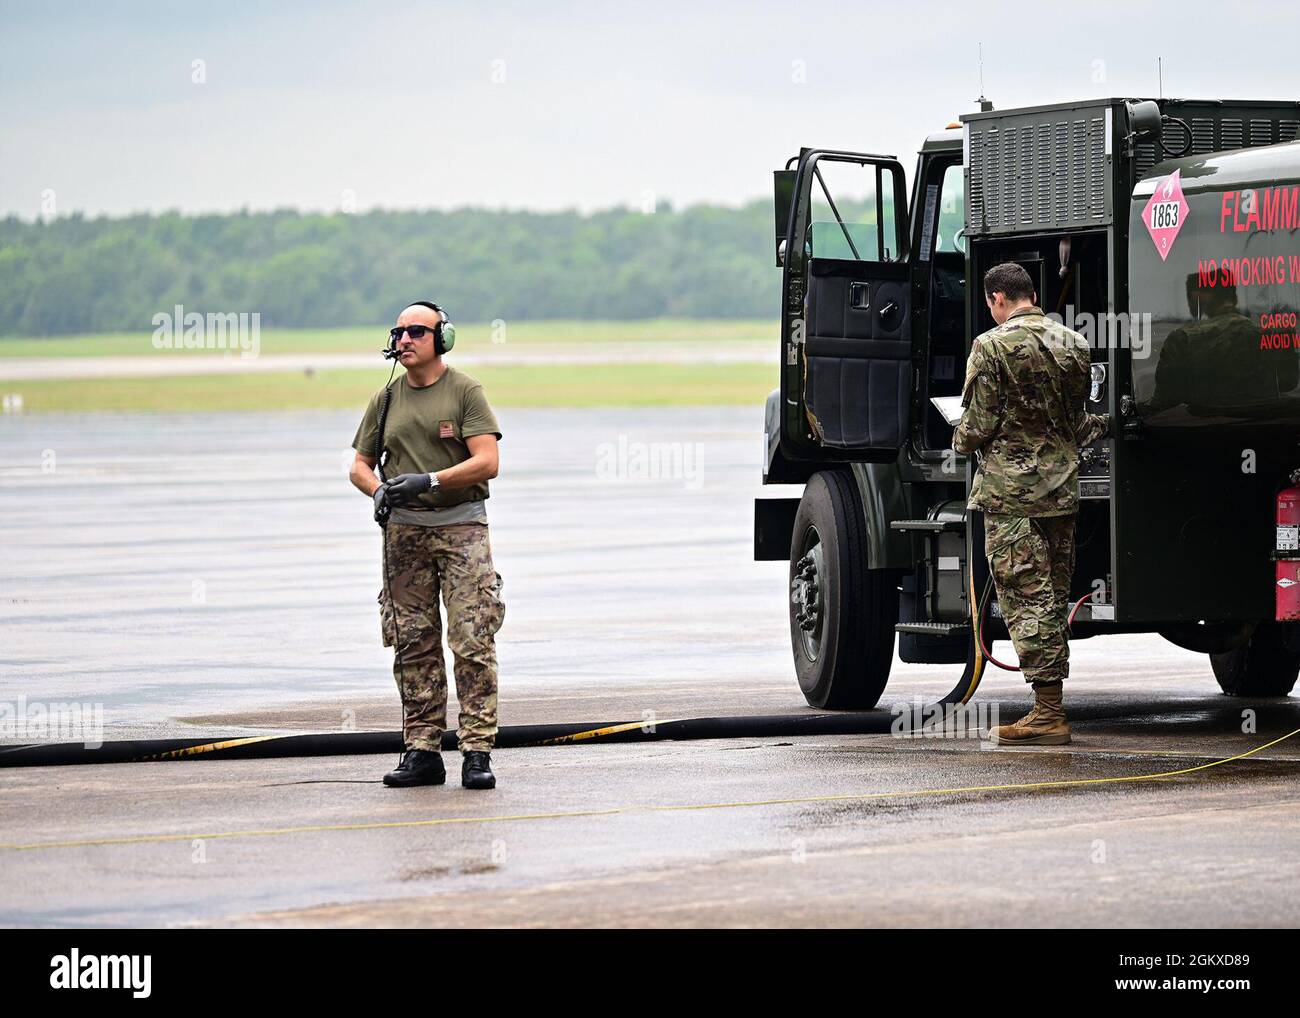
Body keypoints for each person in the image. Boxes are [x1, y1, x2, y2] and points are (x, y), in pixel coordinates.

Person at [348, 301, 505, 787]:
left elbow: (488, 461)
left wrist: (430, 480)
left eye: (417, 331)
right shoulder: (386, 400)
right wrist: (378, 490)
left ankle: (477, 751)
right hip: (404, 535)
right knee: (411, 641)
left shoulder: (465, 391)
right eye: (398, 332)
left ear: (444, 338)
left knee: (471, 638)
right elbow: (358, 464)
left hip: (461, 530)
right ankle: (422, 749)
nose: (405, 339)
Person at [953, 263, 1109, 745]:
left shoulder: (991, 346)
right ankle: (1050, 706)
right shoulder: (1075, 344)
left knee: (1026, 599)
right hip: (1061, 494)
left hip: (1011, 496)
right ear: (1032, 294)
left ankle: (1048, 712)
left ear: (997, 298)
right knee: (1052, 599)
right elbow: (1081, 425)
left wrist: (957, 437)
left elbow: (977, 427)